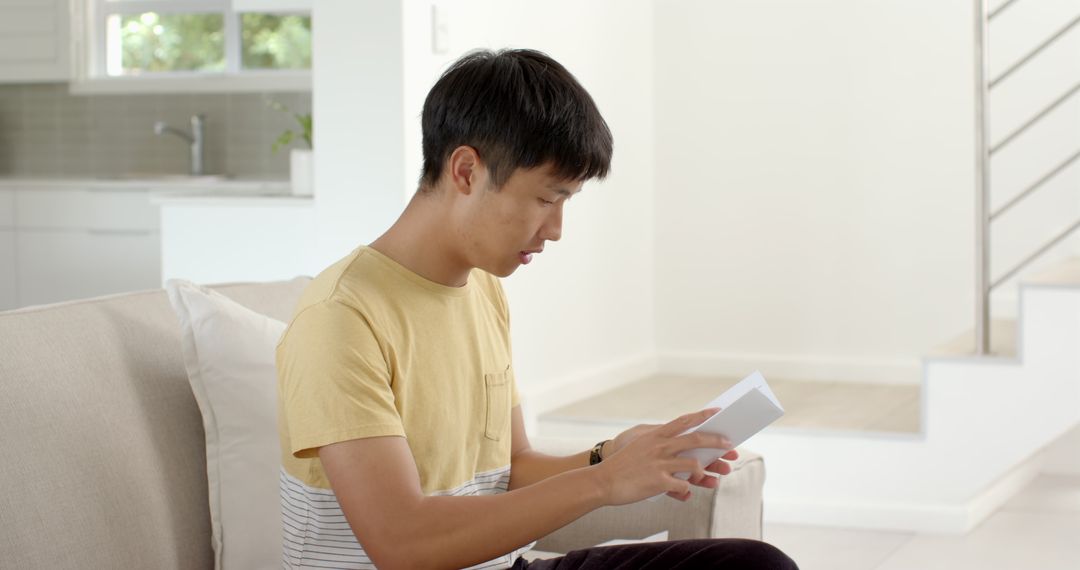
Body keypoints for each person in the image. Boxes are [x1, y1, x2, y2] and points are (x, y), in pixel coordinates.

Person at [276, 48, 798, 570]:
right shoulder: (340, 318)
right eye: (547, 199)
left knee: (753, 566)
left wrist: (610, 454)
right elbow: (402, 543)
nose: (556, 229)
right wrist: (604, 481)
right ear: (466, 171)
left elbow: (513, 467)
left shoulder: (483, 290)